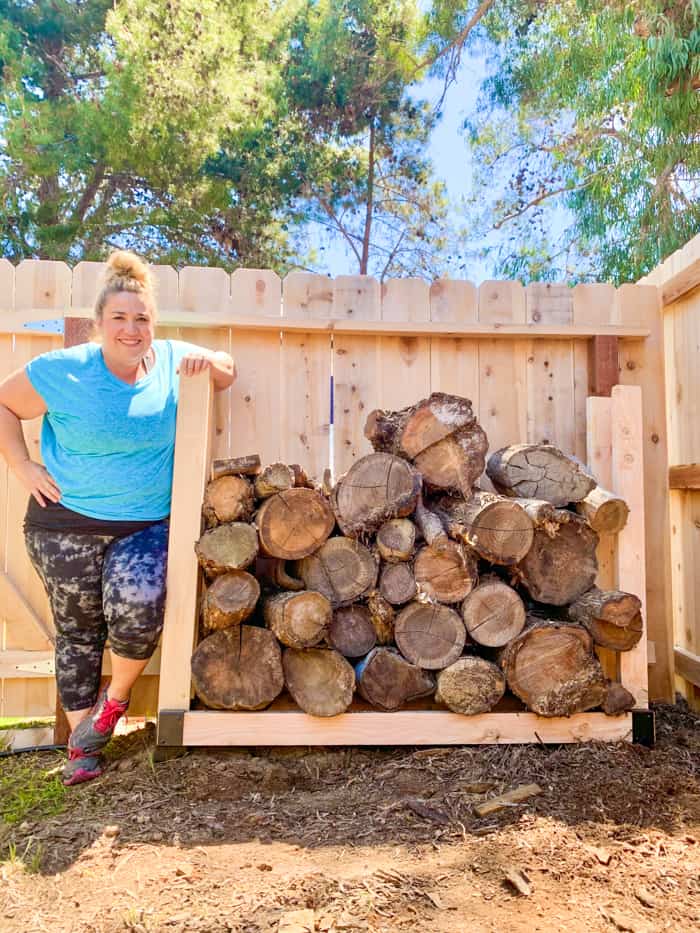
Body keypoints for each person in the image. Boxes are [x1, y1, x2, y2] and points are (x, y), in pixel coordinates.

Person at [0, 251, 235, 785]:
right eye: (120, 319)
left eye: (142, 319)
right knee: (78, 632)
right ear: (99, 324)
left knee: (140, 609)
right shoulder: (62, 371)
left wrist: (209, 365)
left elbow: (227, 369)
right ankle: (84, 745)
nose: (132, 330)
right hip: (63, 526)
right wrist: (22, 465)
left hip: (145, 525)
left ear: (154, 323)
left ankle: (117, 700)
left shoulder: (172, 359)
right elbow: (4, 405)